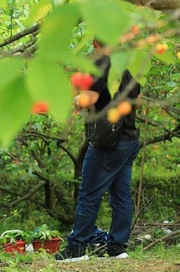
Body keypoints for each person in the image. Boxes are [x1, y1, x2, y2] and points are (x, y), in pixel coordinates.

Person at [55, 39, 141, 262]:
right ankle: (117, 247)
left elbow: (88, 99)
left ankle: (76, 248)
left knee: (89, 194)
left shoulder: (103, 64)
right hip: (129, 139)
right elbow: (137, 99)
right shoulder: (127, 64)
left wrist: (74, 100)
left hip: (108, 143)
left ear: (94, 42)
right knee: (121, 196)